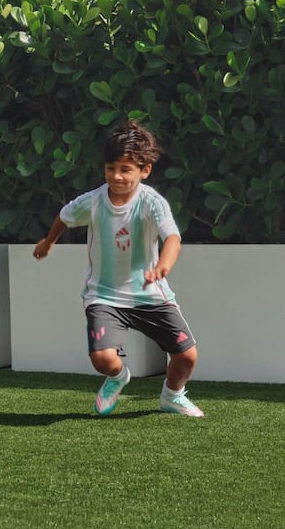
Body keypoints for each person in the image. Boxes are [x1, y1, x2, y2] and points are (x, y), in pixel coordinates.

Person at [33, 120, 203, 418]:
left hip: (150, 294)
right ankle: (118, 377)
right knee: (101, 358)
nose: (116, 176)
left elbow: (172, 237)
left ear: (144, 170)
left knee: (187, 356)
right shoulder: (94, 202)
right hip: (103, 295)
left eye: (125, 169)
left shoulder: (152, 202)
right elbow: (63, 216)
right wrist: (48, 242)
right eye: (111, 168)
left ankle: (172, 396)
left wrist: (163, 265)